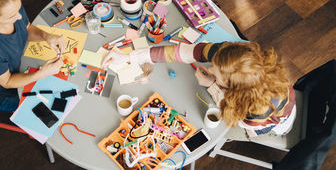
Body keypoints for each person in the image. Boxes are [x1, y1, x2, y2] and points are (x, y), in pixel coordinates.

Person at [102, 42, 296, 137]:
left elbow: (234, 114)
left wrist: (212, 86)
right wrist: (129, 58)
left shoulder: (255, 112)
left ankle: (282, 128)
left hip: (271, 121)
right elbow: (182, 52)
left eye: (217, 73)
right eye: (214, 64)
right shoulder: (228, 52)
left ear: (233, 90)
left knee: (246, 126)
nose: (209, 68)